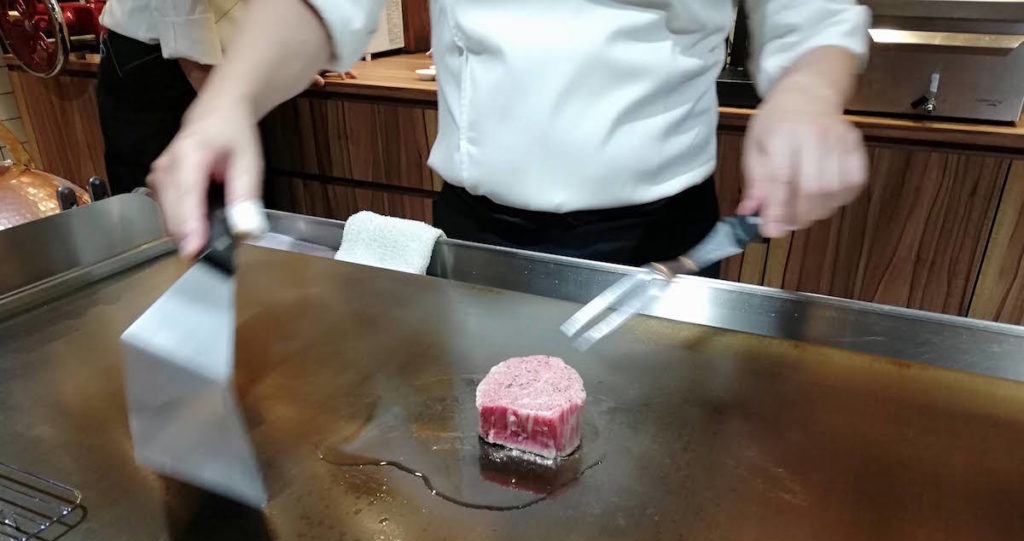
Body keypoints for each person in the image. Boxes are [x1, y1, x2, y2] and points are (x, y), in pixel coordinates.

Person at [149, 0, 871, 271]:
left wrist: (808, 93)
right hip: (479, 231)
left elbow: (812, 16)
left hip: (662, 238)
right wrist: (231, 97)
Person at [97, 0, 243, 194]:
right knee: (171, 200)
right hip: (164, 63)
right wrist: (224, 110)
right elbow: (183, 19)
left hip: (208, 54)